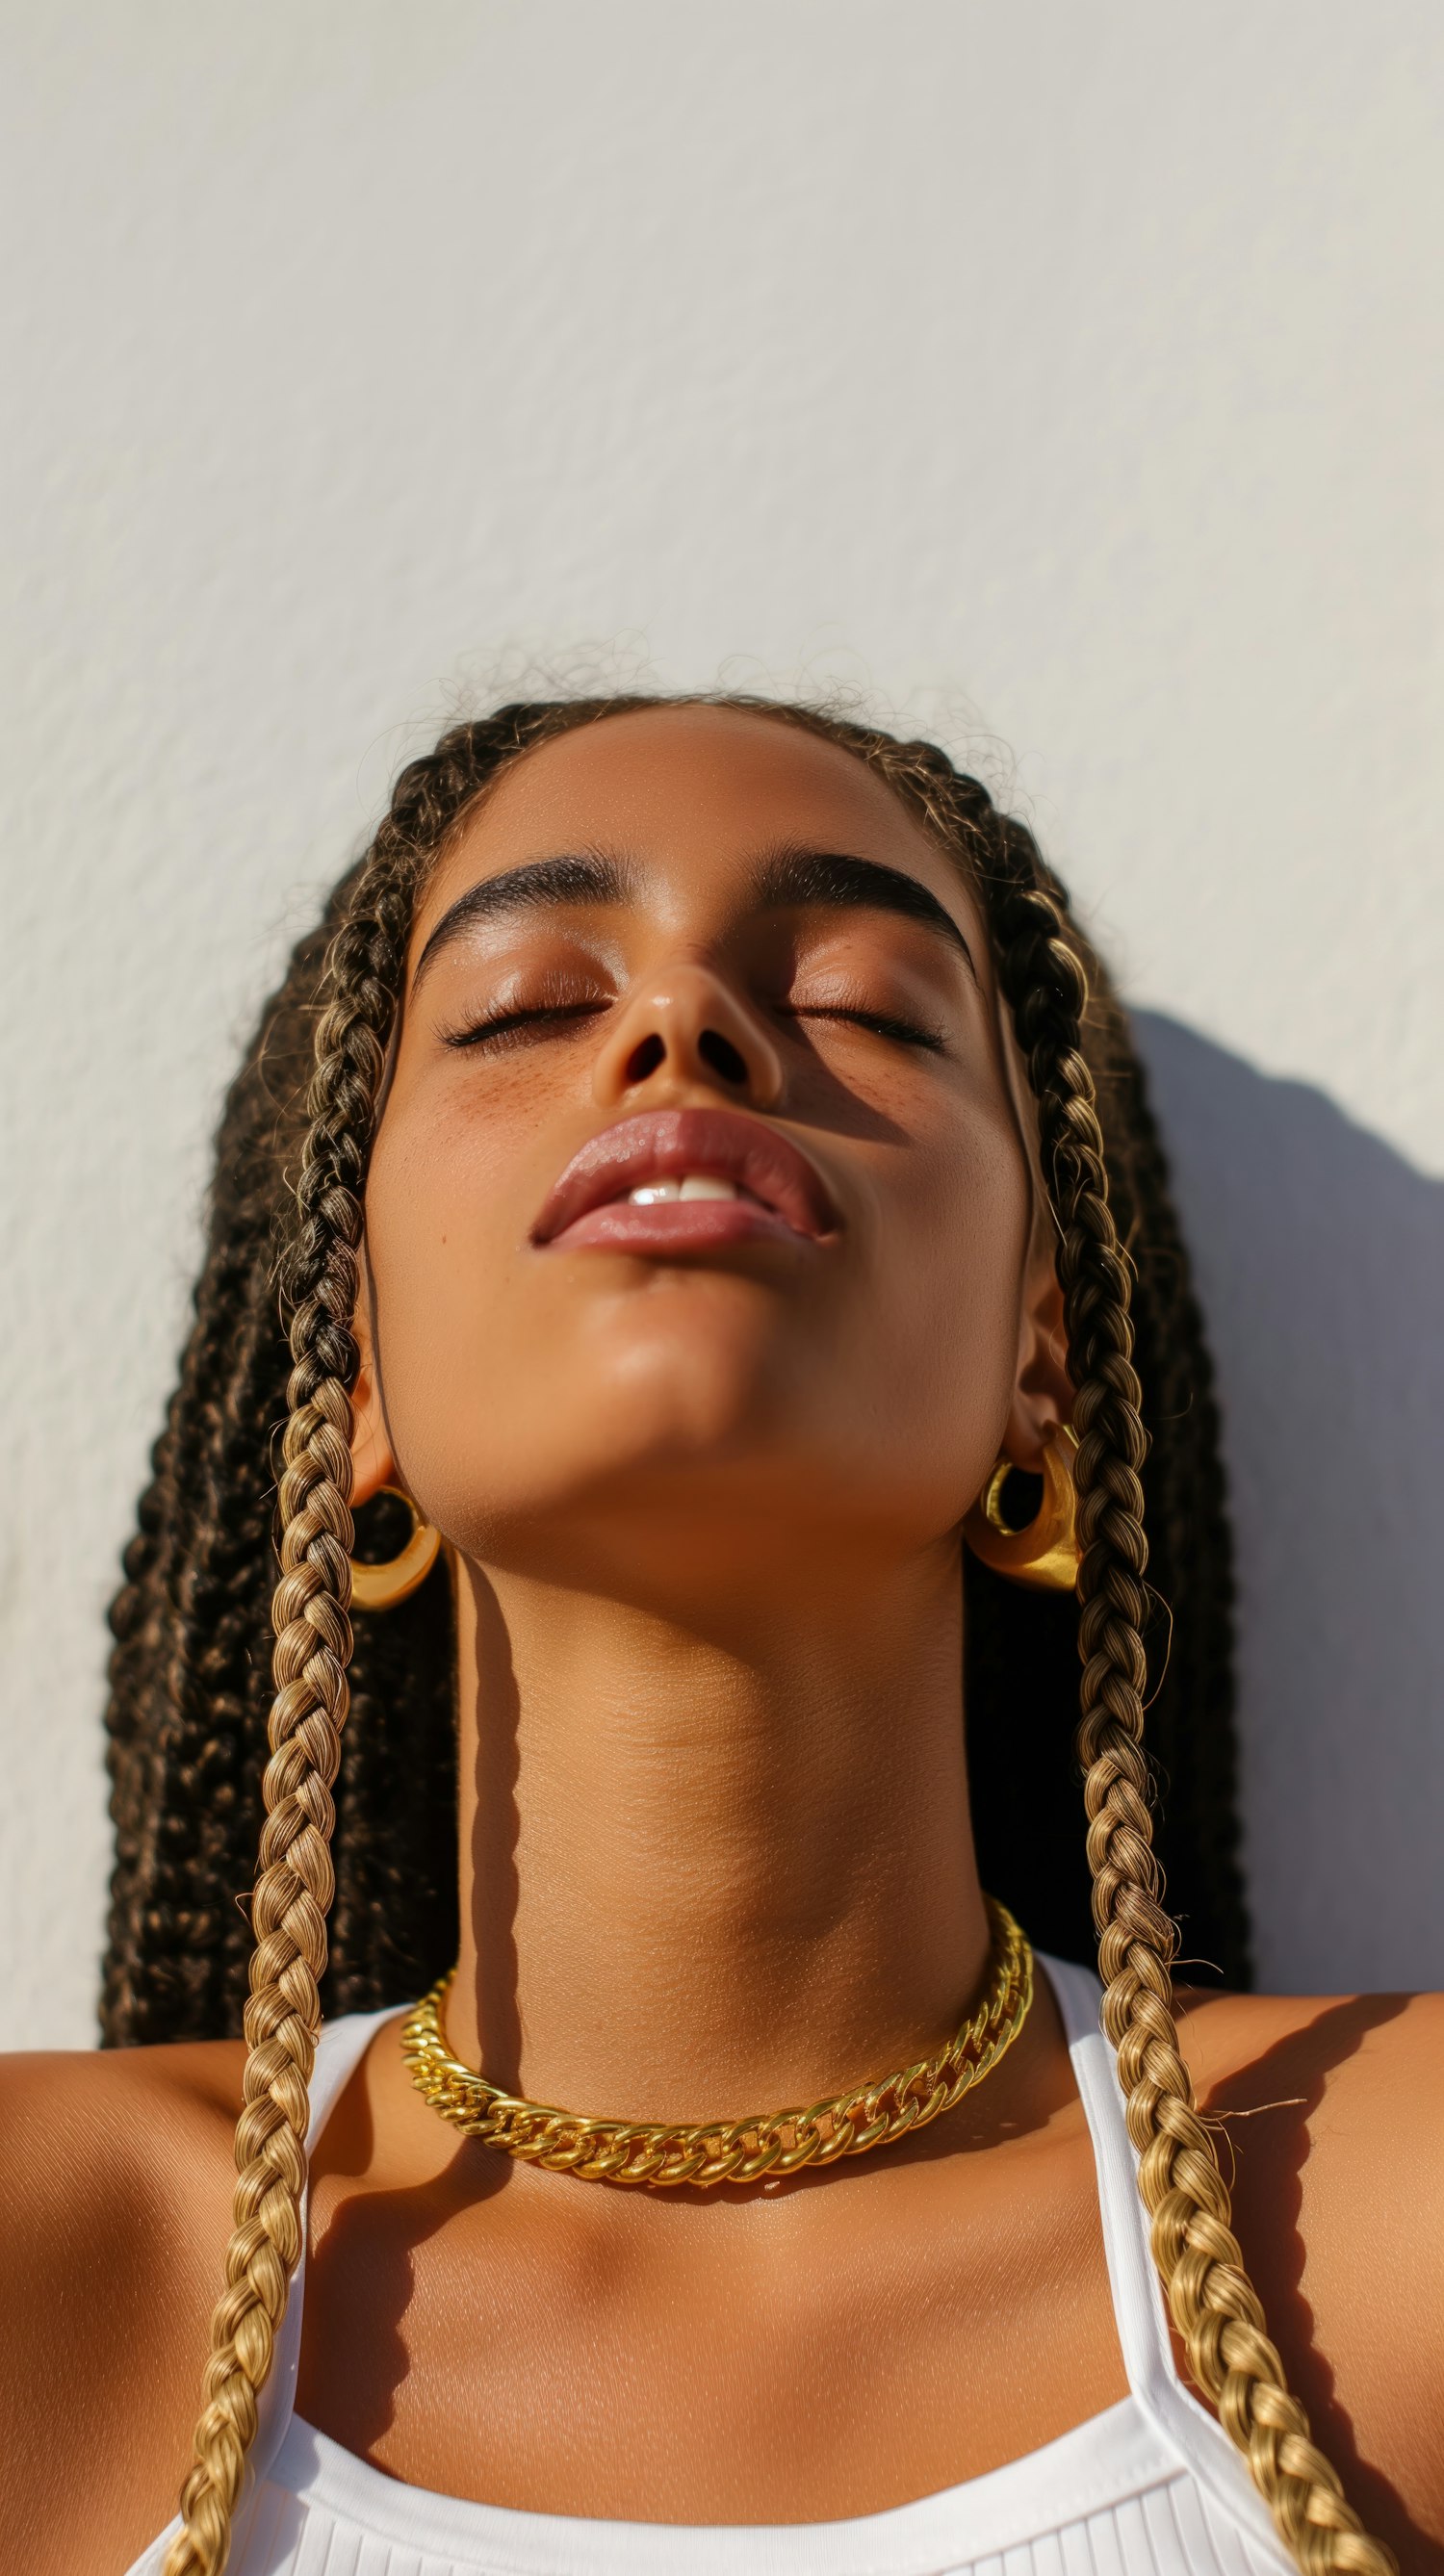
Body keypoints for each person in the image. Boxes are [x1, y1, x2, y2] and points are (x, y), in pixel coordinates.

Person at [2, 697, 1437, 2576]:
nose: (687, 1031)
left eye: (861, 1001)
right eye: (526, 1006)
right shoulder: (53, 2264)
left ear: (1043, 1355)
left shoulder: (1392, 2216)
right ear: (348, 1372)